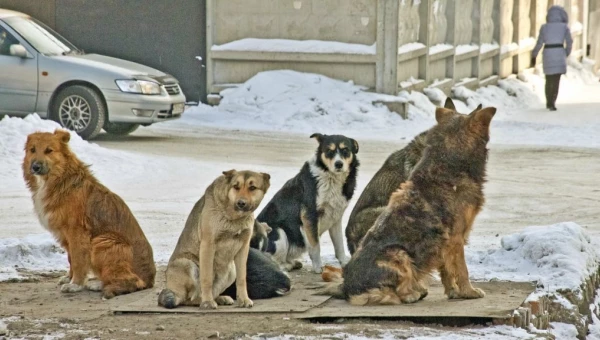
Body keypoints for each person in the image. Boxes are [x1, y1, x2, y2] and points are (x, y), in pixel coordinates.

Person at [531, 5, 573, 111]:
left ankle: (548, 101)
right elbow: (569, 42)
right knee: (556, 79)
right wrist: (566, 53)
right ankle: (553, 101)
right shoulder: (564, 27)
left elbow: (539, 43)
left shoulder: (544, 27)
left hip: (548, 53)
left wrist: (534, 55)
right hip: (559, 52)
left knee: (548, 79)